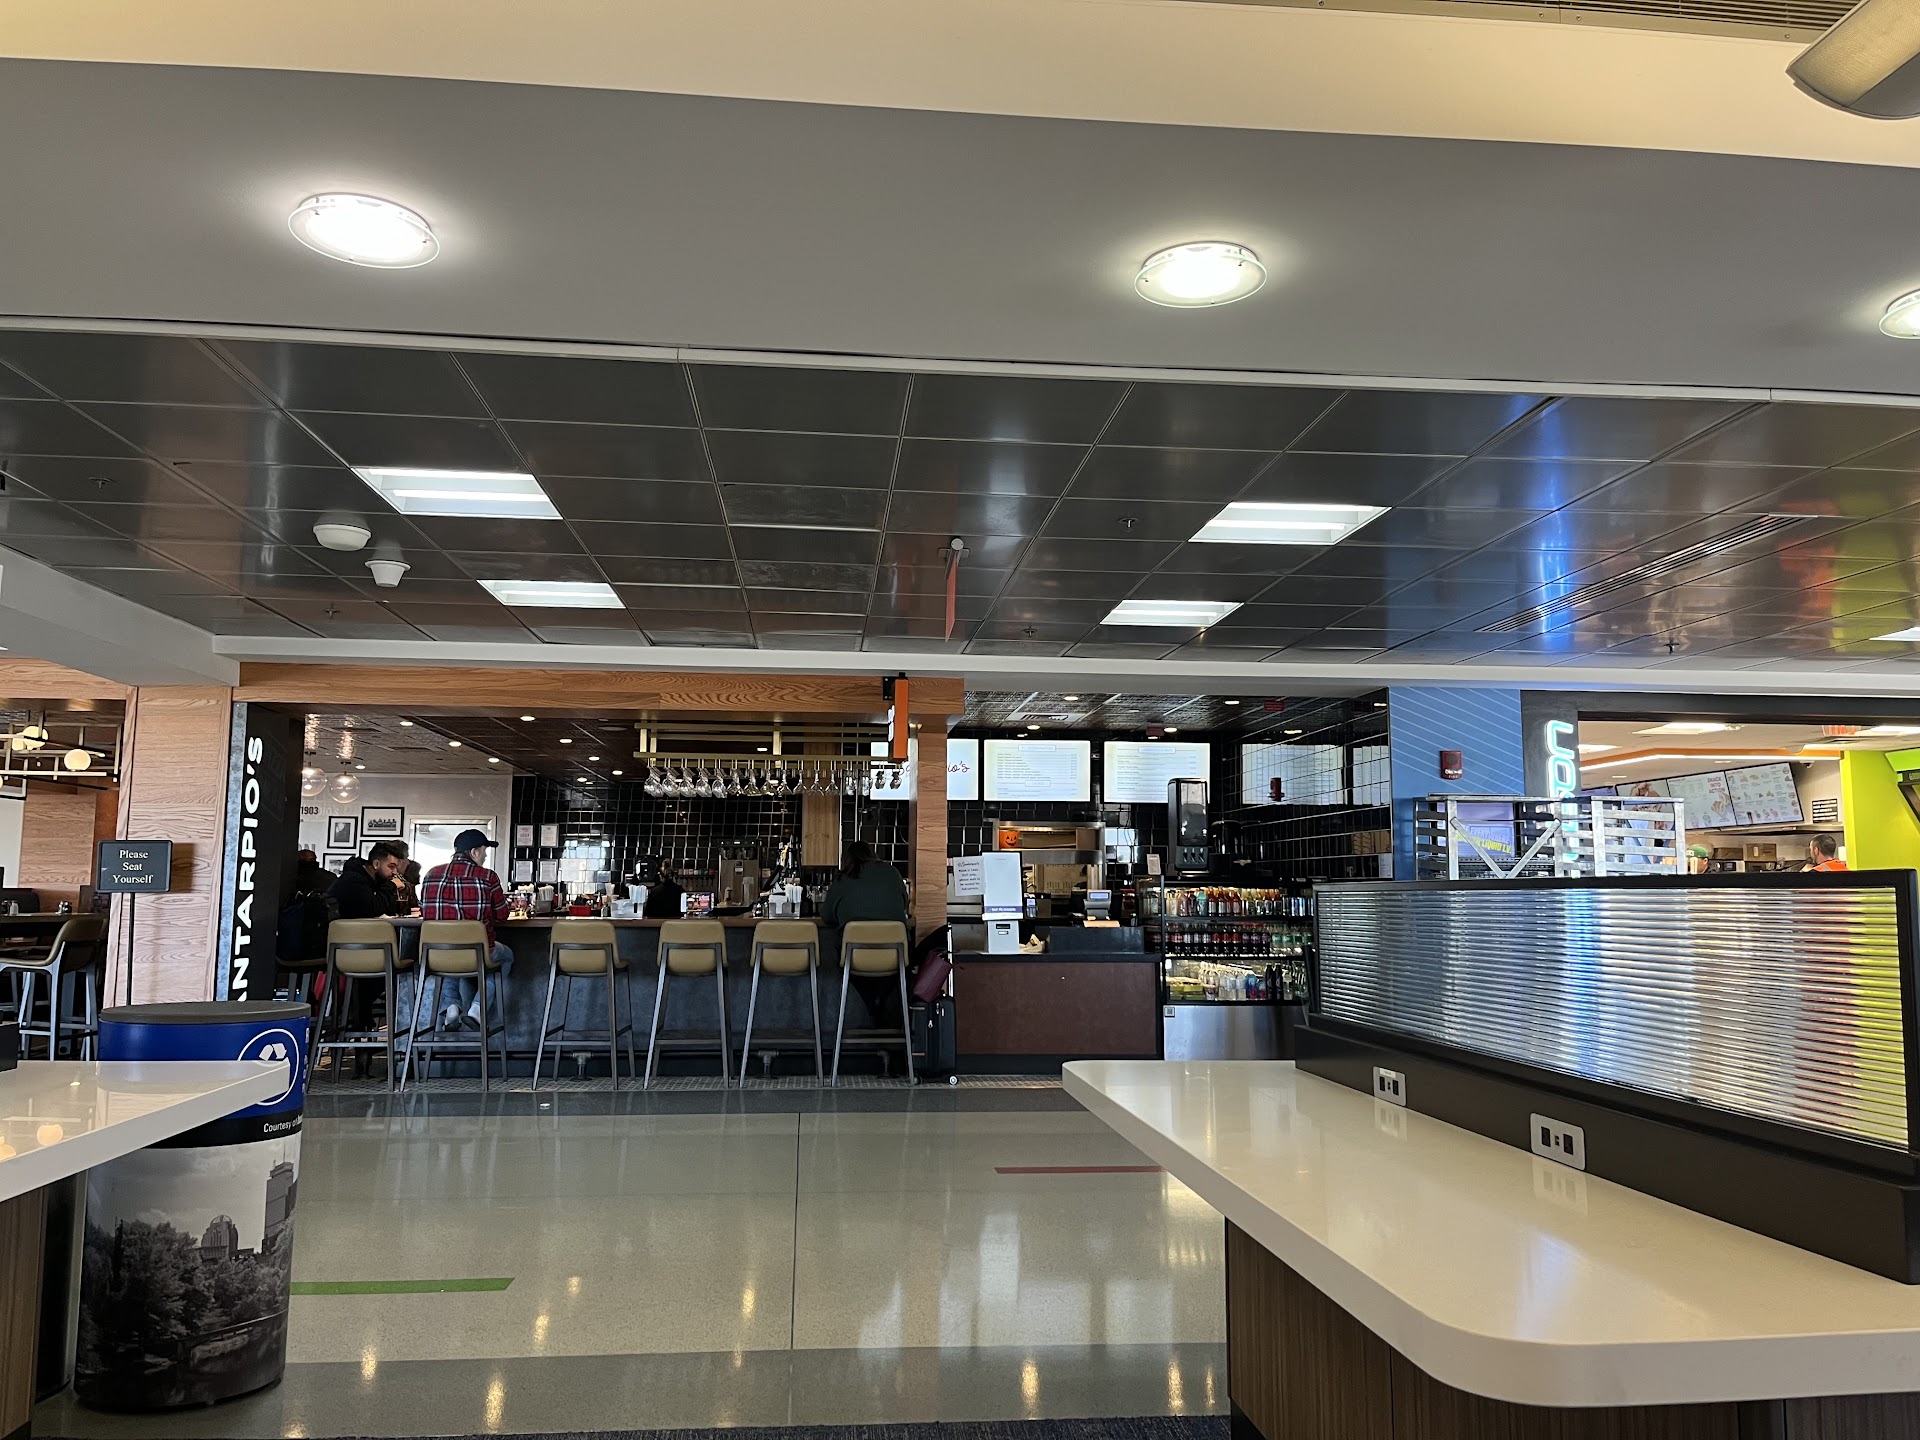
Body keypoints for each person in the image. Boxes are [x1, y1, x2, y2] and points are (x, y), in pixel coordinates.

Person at [419, 829, 513, 1031]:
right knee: (506, 956)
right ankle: (477, 1008)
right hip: (477, 953)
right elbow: (502, 915)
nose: (485, 856)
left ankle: (452, 1007)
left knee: (450, 958)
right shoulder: (487, 877)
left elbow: (424, 911)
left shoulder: (431, 874)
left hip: (437, 954)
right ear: (474, 852)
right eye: (484, 851)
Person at [823, 841, 910, 1028]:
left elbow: (827, 916)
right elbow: (904, 904)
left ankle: (871, 1003)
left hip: (855, 958)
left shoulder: (842, 879)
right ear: (873, 854)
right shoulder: (892, 873)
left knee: (842, 957)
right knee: (891, 976)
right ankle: (879, 1003)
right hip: (895, 956)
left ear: (847, 859)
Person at [329, 841, 406, 919]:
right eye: (391, 867)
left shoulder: (376, 881)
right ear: (376, 864)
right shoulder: (353, 880)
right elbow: (371, 910)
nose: (395, 872)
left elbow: (389, 911)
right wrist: (391, 886)